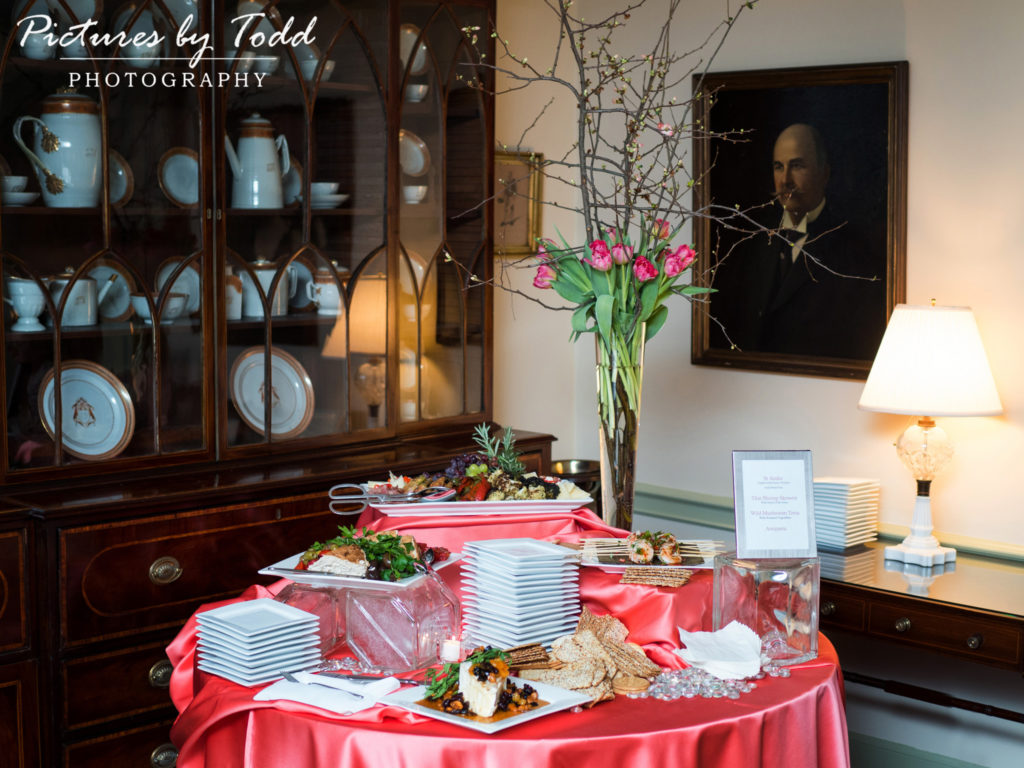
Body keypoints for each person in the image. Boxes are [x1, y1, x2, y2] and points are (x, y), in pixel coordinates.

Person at [710, 122, 886, 360]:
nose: (785, 180)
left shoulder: (853, 253)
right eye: (778, 167)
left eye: (797, 166)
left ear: (824, 173)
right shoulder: (749, 242)